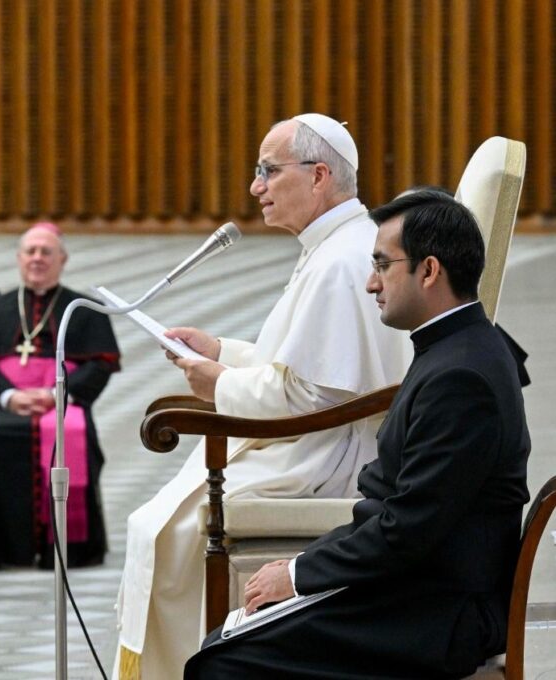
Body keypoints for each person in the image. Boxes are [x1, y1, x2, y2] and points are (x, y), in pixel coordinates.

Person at [185, 191, 531, 679]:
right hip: (419, 588)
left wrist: (299, 574)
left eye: (383, 266)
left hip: (438, 612)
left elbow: (409, 527)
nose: (371, 284)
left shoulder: (462, 376)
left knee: (224, 663)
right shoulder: (458, 346)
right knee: (228, 641)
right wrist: (307, 565)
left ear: (429, 271)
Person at [115, 113, 413, 677]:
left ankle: (201, 666)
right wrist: (221, 351)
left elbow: (315, 397)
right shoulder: (340, 244)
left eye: (268, 171)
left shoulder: (341, 259)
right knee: (157, 520)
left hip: (326, 456)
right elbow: (305, 366)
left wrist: (219, 385)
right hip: (321, 437)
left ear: (319, 174)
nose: (256, 187)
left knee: (168, 528)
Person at [0, 223, 120, 570]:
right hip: (8, 402)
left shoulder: (83, 308)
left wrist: (58, 394)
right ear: (19, 258)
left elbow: (101, 365)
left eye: (46, 252)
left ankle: (66, 548)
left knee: (73, 433)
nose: (37, 258)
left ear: (63, 259)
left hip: (62, 403)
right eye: (30, 251)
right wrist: (8, 396)